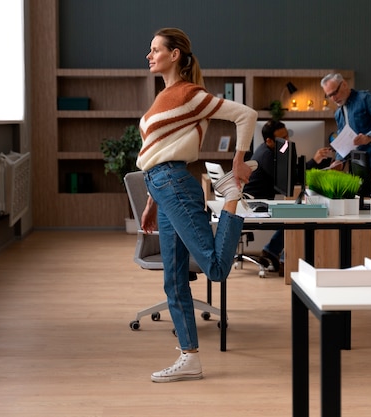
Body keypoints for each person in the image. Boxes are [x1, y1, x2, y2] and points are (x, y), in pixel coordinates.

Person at [136, 28, 258, 383]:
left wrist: (238, 163)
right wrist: (151, 201)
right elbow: (156, 151)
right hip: (162, 187)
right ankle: (190, 358)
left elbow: (246, 115)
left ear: (174, 55)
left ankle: (233, 196)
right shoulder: (165, 96)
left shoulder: (190, 95)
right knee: (174, 280)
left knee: (215, 269)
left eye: (155, 49)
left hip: (175, 184)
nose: (149, 55)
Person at [243, 120, 334, 274]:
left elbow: (291, 167)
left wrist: (315, 162)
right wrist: (314, 161)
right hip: (255, 205)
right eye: (283, 139)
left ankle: (272, 251)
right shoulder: (266, 156)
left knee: (296, 213)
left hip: (259, 201)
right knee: (297, 216)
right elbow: (292, 178)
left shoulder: (274, 148)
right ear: (269, 141)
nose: (287, 141)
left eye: (287, 136)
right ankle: (283, 257)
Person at [321, 73, 371, 198]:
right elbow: (343, 138)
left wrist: (369, 137)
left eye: (335, 93)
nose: (333, 99)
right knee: (360, 208)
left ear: (344, 84)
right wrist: (339, 160)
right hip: (358, 166)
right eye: (329, 96)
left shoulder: (366, 98)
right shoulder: (339, 113)